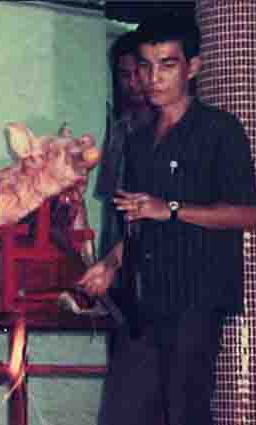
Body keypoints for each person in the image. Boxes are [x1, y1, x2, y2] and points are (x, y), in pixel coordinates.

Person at [79, 13, 256, 425]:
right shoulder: (136, 135)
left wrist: (172, 209)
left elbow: (246, 213)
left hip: (195, 299)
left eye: (168, 65)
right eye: (146, 66)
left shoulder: (220, 131)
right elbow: (136, 221)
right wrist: (110, 264)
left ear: (193, 68)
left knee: (185, 423)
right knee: (123, 419)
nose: (154, 78)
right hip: (141, 298)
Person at [94, 30, 154, 268]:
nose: (132, 83)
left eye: (138, 73)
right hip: (118, 250)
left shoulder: (169, 128)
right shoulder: (117, 128)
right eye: (124, 75)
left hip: (158, 248)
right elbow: (111, 202)